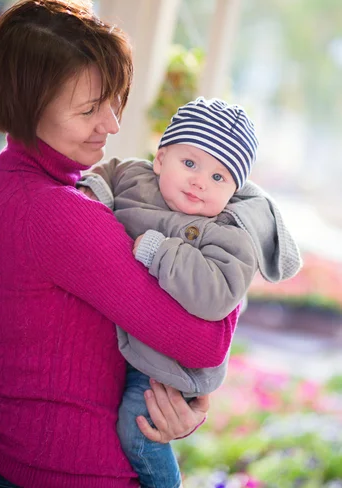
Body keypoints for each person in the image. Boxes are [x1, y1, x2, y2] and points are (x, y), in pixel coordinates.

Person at [0, 0, 242, 488]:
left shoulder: (12, 187)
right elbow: (206, 341)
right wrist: (236, 254)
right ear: (26, 107)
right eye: (88, 110)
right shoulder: (57, 215)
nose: (111, 123)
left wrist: (185, 400)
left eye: (113, 100)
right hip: (70, 471)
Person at [79, 97, 302, 488]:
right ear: (161, 158)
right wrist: (94, 195)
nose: (200, 181)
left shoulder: (229, 234)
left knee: (138, 429)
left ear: (233, 191)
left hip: (166, 370)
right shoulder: (133, 175)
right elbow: (104, 174)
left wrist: (162, 252)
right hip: (121, 339)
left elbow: (217, 295)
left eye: (219, 178)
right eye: (190, 163)